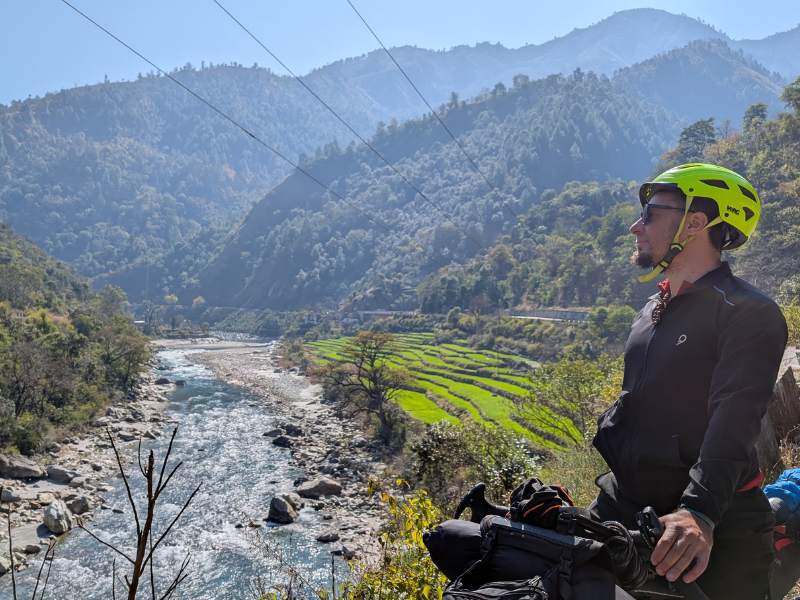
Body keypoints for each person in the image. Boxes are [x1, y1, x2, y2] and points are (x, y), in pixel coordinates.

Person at [591, 163, 789, 599]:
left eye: (651, 212)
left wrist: (698, 512)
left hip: (712, 526)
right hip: (625, 507)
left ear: (696, 222)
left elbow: (734, 419)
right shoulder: (652, 309)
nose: (635, 225)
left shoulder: (747, 313)